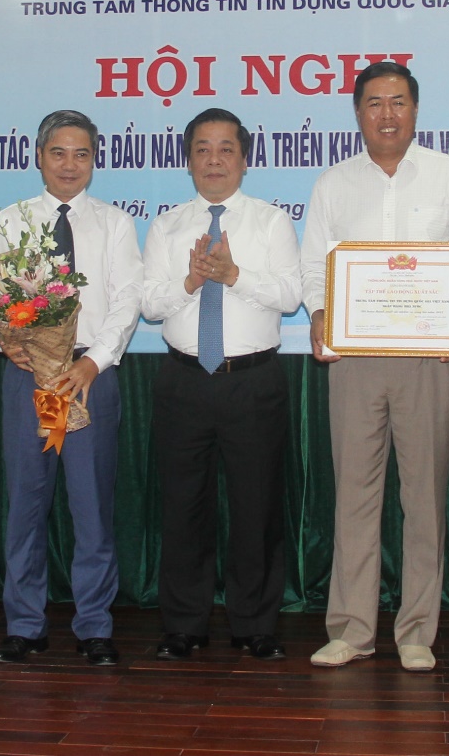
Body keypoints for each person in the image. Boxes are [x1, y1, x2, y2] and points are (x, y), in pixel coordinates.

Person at [300, 62, 449, 672]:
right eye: (375, 103)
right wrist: (320, 312)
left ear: (416, 111)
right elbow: (313, 264)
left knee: (424, 497)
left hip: (428, 360)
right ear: (358, 113)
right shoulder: (334, 183)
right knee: (354, 495)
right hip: (355, 360)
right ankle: (351, 630)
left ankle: (416, 632)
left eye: (399, 102)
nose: (387, 114)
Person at [140, 109, 302, 662]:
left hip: (252, 382)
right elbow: (150, 304)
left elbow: (290, 295)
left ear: (245, 159)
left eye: (226, 149)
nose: (214, 160)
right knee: (183, 506)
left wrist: (233, 275)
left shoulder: (271, 222)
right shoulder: (166, 226)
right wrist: (191, 280)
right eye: (203, 149)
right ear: (188, 160)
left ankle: (255, 624)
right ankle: (183, 624)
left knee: (257, 506)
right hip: (183, 382)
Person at [0, 110, 142, 668]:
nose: (69, 165)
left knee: (91, 506)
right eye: (58, 153)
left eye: (81, 154)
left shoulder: (114, 223)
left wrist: (93, 363)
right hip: (29, 378)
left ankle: (94, 626)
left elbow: (127, 300)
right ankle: (24, 625)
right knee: (26, 504)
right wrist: (2, 339)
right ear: (38, 156)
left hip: (86, 379)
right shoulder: (13, 220)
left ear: (95, 160)